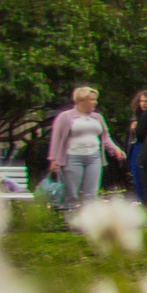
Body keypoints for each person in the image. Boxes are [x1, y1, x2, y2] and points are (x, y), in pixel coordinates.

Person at [49, 85, 124, 213]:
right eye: (92, 100)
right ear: (81, 100)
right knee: (72, 194)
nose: (95, 102)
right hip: (72, 157)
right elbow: (56, 138)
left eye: (95, 99)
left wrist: (115, 149)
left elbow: (106, 137)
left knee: (91, 194)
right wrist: (54, 159)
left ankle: (89, 220)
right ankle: (70, 218)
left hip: (94, 157)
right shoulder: (65, 117)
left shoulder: (98, 118)